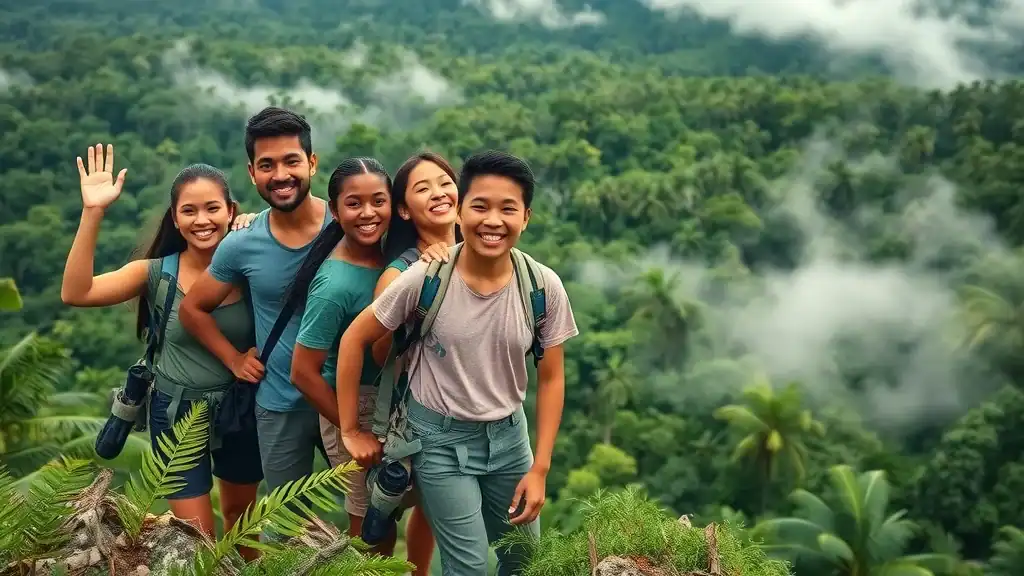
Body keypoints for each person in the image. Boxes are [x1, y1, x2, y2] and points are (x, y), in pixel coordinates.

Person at [335, 150, 580, 575]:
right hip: (438, 442)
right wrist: (350, 429)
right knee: (467, 566)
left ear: (526, 218)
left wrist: (540, 467)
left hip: (509, 440)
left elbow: (553, 376)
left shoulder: (542, 286)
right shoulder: (426, 278)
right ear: (461, 211)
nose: (493, 221)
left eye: (508, 209)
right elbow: (354, 340)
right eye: (480, 206)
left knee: (522, 559)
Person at [60, 144, 261, 552]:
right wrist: (93, 211)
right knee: (196, 541)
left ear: (231, 210)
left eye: (212, 209)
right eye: (189, 211)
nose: (201, 220)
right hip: (176, 414)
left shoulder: (254, 264)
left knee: (244, 529)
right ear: (175, 218)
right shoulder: (155, 273)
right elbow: (76, 292)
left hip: (241, 413)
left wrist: (261, 225)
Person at [178, 107, 332, 495]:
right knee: (286, 521)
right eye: (267, 165)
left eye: (291, 161)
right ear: (252, 173)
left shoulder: (349, 225)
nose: (280, 175)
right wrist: (233, 359)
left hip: (345, 399)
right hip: (279, 403)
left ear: (312, 163)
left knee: (368, 516)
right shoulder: (242, 243)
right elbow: (192, 309)